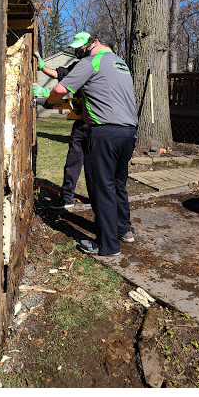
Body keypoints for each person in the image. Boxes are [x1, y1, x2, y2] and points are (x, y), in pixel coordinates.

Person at [44, 33, 138, 257]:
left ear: (95, 43)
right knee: (117, 184)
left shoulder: (92, 61)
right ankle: (124, 229)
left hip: (105, 132)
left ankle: (108, 245)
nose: (85, 49)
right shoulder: (121, 63)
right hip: (129, 132)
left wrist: (47, 103)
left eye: (88, 45)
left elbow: (60, 90)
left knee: (101, 188)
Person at [33, 33, 92, 210]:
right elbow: (59, 74)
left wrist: (46, 94)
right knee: (74, 160)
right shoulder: (78, 65)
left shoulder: (93, 66)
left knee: (93, 164)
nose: (76, 51)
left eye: (79, 48)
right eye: (75, 48)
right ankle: (67, 198)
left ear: (89, 45)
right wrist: (42, 64)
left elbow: (62, 87)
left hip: (96, 123)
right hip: (83, 121)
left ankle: (94, 198)